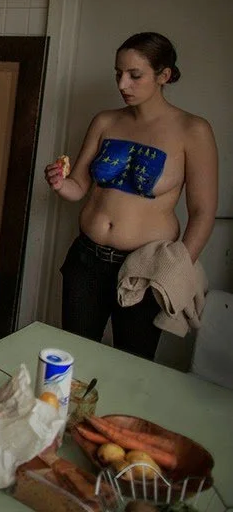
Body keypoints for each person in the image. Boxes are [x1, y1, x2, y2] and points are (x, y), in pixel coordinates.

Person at [45, 32, 218, 360]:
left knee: (132, 362)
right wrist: (59, 182)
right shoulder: (106, 121)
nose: (123, 84)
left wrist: (175, 270)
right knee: (73, 357)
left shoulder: (192, 130)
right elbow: (78, 187)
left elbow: (203, 211)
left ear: (163, 75)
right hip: (87, 261)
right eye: (118, 74)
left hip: (145, 268)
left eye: (134, 75)